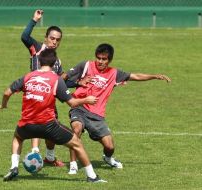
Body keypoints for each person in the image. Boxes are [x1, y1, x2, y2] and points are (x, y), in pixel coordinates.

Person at [0, 49, 106, 183]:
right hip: (48, 125)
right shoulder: (56, 80)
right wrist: (86, 100)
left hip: (26, 125)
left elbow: (7, 92)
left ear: (39, 61)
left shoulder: (28, 77)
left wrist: (3, 105)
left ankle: (14, 167)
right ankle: (92, 177)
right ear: (55, 64)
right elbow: (72, 103)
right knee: (77, 144)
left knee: (18, 137)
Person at [63, 43, 171, 174]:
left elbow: (135, 76)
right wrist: (77, 83)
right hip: (79, 107)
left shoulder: (114, 73)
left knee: (109, 146)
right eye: (98, 58)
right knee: (76, 128)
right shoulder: (85, 65)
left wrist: (154, 76)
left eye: (104, 59)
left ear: (109, 60)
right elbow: (62, 79)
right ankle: (73, 164)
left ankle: (108, 158)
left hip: (97, 115)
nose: (100, 61)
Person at [21, 9, 64, 166]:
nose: (54, 42)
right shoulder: (37, 47)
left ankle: (50, 158)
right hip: (34, 95)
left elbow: (61, 80)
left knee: (51, 129)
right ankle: (35, 154)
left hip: (49, 99)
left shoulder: (57, 61)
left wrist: (79, 81)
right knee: (36, 124)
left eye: (57, 40)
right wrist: (34, 20)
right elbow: (24, 36)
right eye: (52, 38)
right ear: (46, 38)